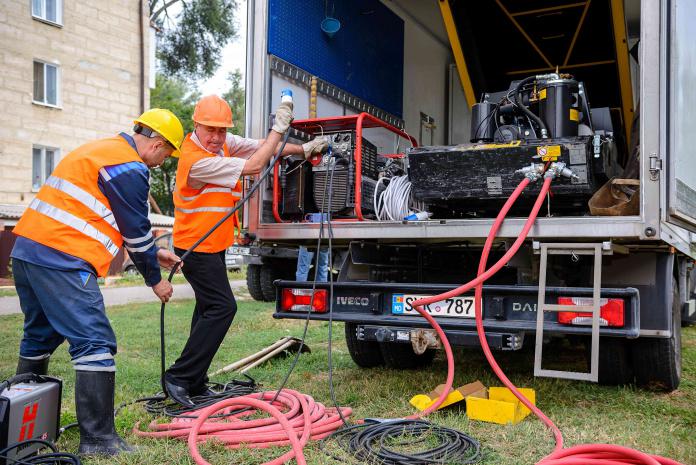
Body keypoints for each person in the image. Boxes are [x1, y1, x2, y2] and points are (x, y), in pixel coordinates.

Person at [11, 109, 185, 456]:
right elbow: (135, 232)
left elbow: (97, 215)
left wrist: (154, 254)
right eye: (167, 155)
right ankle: (99, 441)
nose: (162, 162)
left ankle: (19, 427)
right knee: (95, 342)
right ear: (157, 144)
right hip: (62, 258)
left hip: (29, 253)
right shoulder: (131, 167)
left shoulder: (101, 150)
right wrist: (155, 281)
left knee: (40, 337)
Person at [164, 95, 328, 407]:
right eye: (210, 130)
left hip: (212, 244)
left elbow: (263, 147)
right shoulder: (197, 162)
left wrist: (303, 149)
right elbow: (254, 165)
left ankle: (195, 382)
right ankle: (179, 377)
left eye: (222, 130)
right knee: (223, 307)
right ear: (195, 126)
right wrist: (279, 127)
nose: (216, 137)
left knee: (207, 309)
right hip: (195, 247)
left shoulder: (221, 145)